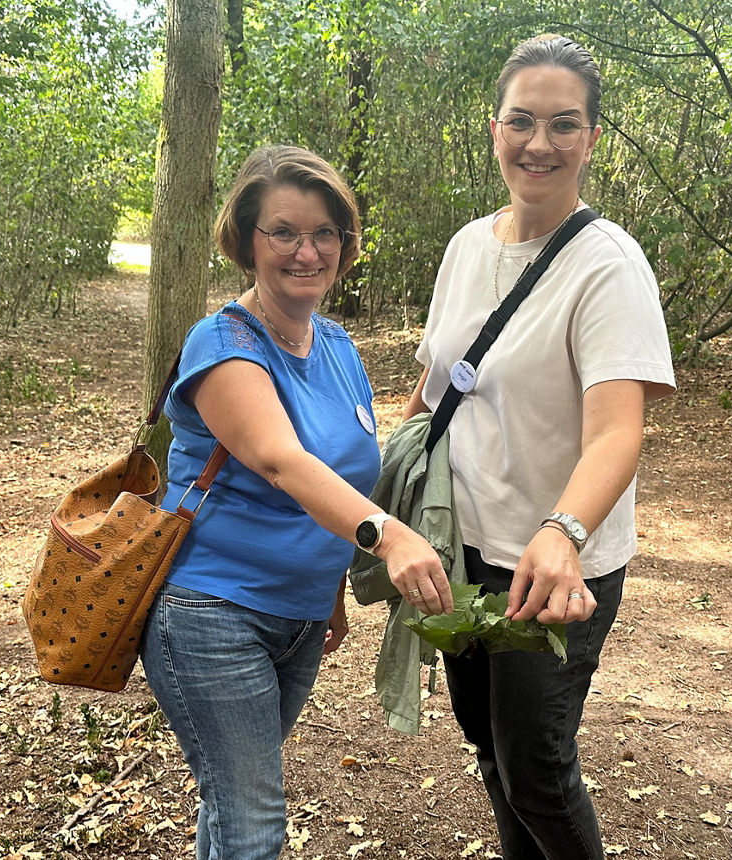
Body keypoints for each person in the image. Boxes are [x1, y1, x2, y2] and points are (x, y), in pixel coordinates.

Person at [402, 35, 677, 860]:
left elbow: (618, 429)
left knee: (536, 767)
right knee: (488, 748)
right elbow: (434, 389)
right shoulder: (464, 247)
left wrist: (564, 532)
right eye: (521, 121)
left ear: (592, 139)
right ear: (495, 130)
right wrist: (379, 482)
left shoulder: (608, 266)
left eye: (564, 125)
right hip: (462, 550)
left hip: (556, 564)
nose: (539, 143)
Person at [140, 144, 454, 860]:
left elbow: (344, 474)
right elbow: (284, 462)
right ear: (247, 239)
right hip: (211, 613)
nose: (306, 251)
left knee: (229, 803)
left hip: (301, 618)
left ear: (345, 244)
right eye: (283, 231)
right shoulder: (221, 344)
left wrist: (334, 590)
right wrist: (390, 536)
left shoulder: (338, 344)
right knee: (254, 824)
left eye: (325, 234)